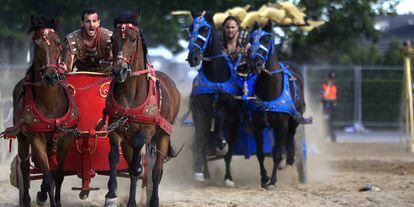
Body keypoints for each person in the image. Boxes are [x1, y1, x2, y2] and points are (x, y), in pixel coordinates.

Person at [321, 72, 338, 142]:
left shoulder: (335, 86)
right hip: (326, 106)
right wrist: (328, 86)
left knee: (331, 122)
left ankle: (332, 136)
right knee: (326, 121)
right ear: (328, 78)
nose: (331, 80)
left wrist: (335, 102)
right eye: (330, 79)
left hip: (332, 106)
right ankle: (324, 135)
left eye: (332, 79)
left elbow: (336, 96)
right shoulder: (324, 86)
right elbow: (323, 95)